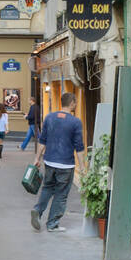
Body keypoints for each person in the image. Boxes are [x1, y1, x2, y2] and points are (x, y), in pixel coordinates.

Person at [31, 92, 86, 232]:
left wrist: (37, 158)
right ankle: (52, 224)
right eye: (75, 102)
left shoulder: (49, 117)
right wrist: (83, 167)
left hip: (49, 161)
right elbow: (79, 147)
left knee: (47, 188)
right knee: (61, 194)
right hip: (66, 164)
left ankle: (38, 210)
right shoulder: (75, 122)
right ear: (72, 102)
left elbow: (42, 140)